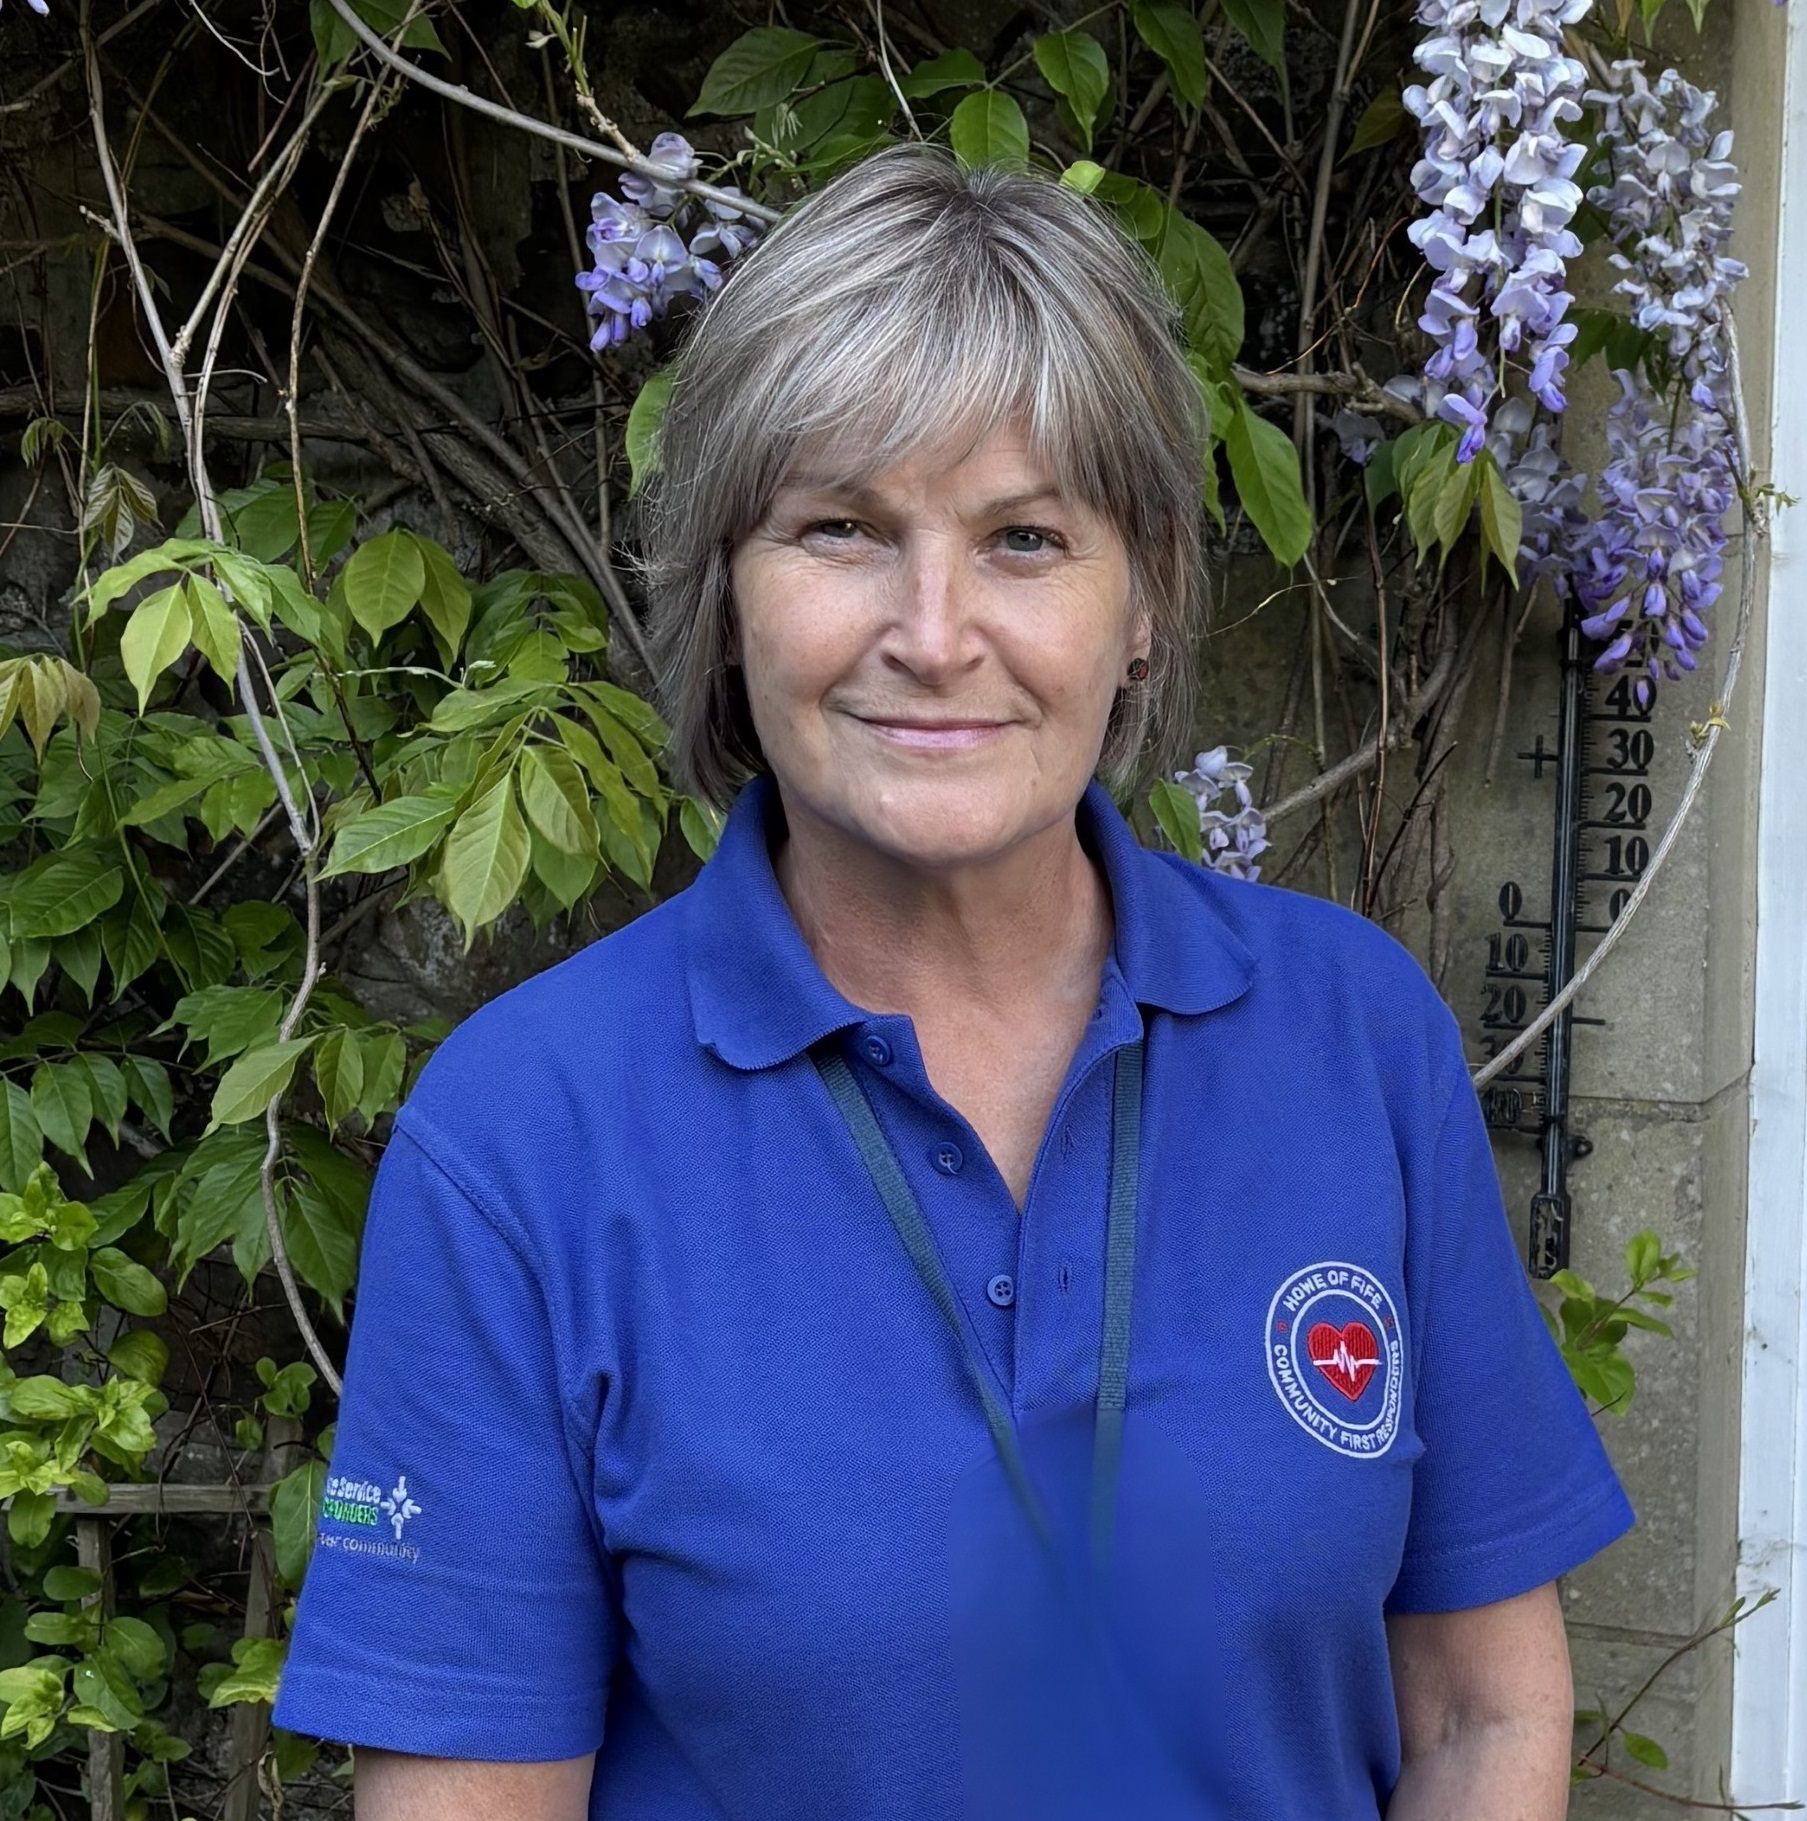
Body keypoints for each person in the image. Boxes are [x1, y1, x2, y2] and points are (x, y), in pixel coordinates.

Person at [274, 145, 1632, 1821]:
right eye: (840, 527)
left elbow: (1482, 1718)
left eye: (1025, 539)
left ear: (1142, 604)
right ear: (726, 599)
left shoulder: (1355, 1039)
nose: (934, 630)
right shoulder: (525, 1140)